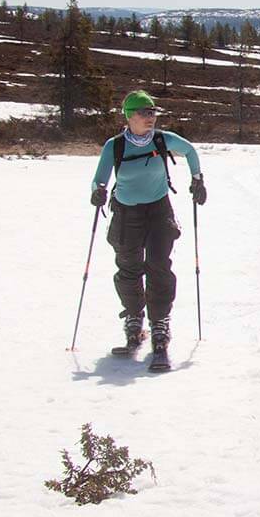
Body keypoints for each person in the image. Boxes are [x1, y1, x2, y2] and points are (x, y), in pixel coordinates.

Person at [90, 90, 205, 369]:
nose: (150, 117)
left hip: (158, 211)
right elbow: (99, 178)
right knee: (128, 268)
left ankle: (160, 325)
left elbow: (189, 150)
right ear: (129, 116)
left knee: (158, 266)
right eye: (144, 113)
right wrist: (99, 191)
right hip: (126, 213)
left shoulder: (162, 140)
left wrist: (197, 179)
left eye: (153, 112)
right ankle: (133, 319)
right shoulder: (114, 146)